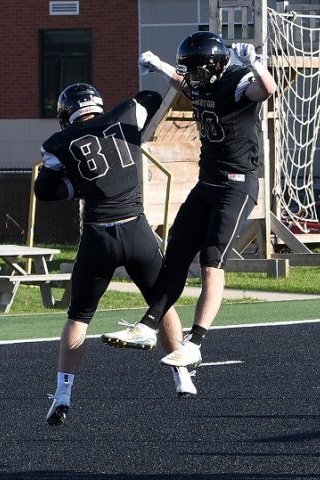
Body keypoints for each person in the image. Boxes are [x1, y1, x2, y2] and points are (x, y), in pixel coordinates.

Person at [101, 32, 277, 369]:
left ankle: (195, 342)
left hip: (236, 187)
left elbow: (266, 90)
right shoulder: (200, 82)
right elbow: (181, 81)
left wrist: (256, 63)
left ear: (215, 65)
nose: (192, 76)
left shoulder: (238, 82)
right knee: (177, 253)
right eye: (191, 70)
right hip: (206, 183)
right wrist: (157, 64)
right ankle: (148, 326)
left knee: (211, 262)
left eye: (197, 69)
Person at [35, 83, 196, 427]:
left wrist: (76, 184)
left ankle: (63, 394)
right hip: (136, 230)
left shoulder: (57, 143)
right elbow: (152, 98)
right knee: (162, 303)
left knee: (78, 317)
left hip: (98, 237)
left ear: (67, 115)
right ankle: (182, 376)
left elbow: (44, 190)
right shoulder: (125, 114)